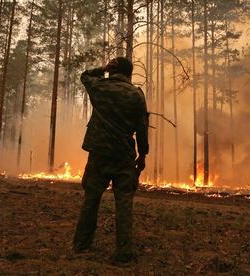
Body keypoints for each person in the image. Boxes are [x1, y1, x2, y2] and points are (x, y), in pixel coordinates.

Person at [73, 57, 149, 263]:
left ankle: (81, 245)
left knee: (91, 199)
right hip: (124, 156)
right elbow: (142, 128)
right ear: (129, 74)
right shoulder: (136, 95)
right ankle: (124, 254)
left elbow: (84, 76)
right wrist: (142, 155)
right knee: (124, 203)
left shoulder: (100, 87)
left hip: (99, 154)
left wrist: (102, 69)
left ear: (112, 70)